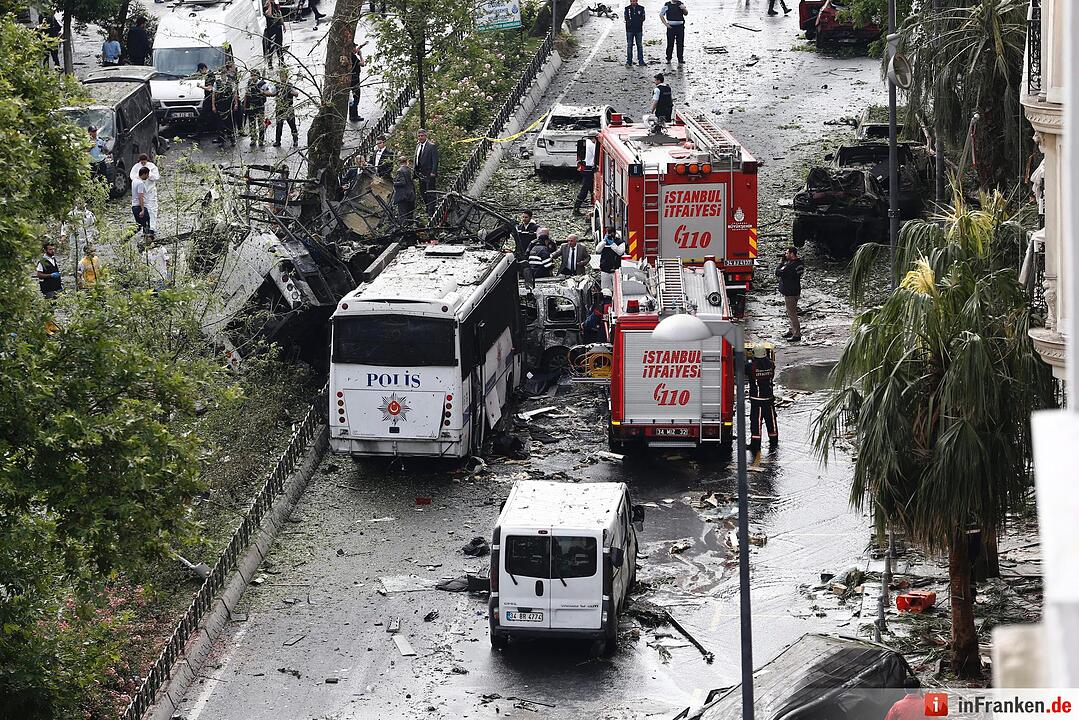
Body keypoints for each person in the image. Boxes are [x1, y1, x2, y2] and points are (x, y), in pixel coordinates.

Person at [746, 343, 778, 452]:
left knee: (756, 422)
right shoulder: (771, 364)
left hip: (757, 400)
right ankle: (774, 441)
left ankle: (755, 445)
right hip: (768, 399)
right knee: (771, 420)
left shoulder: (751, 366)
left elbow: (742, 369)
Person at [776, 246, 804, 341]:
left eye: (787, 253)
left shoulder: (789, 266)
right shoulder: (799, 264)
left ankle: (797, 334)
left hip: (790, 292)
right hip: (795, 290)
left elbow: (778, 272)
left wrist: (781, 263)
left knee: (792, 313)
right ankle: (792, 330)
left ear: (792, 254)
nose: (785, 255)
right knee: (791, 312)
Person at [414, 128, 439, 217]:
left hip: (429, 174)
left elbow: (435, 160)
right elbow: (416, 158)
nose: (420, 137)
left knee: (430, 193)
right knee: (423, 192)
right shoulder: (418, 146)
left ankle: (431, 211)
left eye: (422, 136)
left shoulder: (431, 146)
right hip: (421, 174)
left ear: (425, 136)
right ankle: (428, 208)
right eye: (419, 136)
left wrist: (433, 171)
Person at [272, 67, 299, 147]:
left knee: (292, 125)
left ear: (287, 77)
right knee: (279, 125)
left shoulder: (289, 85)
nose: (282, 78)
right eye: (281, 77)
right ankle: (277, 141)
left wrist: (291, 92)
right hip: (279, 108)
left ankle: (295, 140)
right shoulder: (277, 85)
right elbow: (272, 92)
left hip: (288, 108)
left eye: (284, 76)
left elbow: (296, 93)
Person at [244, 69, 271, 147]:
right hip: (251, 106)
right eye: (251, 75)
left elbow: (269, 93)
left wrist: (261, 92)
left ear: (258, 76)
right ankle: (253, 139)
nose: (253, 77)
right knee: (251, 123)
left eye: (254, 75)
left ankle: (261, 140)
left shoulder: (263, 84)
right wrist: (245, 106)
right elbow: (246, 94)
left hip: (259, 106)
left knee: (261, 124)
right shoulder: (249, 83)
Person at [211, 68, 238, 147]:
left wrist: (235, 104)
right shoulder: (217, 83)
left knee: (230, 123)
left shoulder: (230, 82)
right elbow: (213, 95)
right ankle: (222, 140)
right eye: (221, 74)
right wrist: (213, 106)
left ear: (226, 74)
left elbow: (234, 94)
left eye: (224, 74)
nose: (223, 76)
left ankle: (232, 139)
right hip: (220, 105)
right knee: (220, 123)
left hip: (228, 105)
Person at [573, 132, 597, 214]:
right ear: (594, 138)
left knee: (591, 188)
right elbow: (596, 155)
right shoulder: (592, 145)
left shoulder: (585, 143)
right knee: (585, 188)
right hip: (589, 169)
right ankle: (576, 208)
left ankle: (593, 205)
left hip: (584, 168)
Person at [659, 0, 688, 65]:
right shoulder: (667, 5)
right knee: (670, 43)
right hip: (670, 28)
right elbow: (661, 15)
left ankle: (680, 59)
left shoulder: (680, 4)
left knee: (680, 43)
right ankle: (668, 58)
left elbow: (686, 13)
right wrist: (666, 24)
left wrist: (684, 8)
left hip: (680, 27)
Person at [598, 227, 626, 292]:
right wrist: (604, 242)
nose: (610, 235)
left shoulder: (620, 242)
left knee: (617, 290)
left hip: (616, 270)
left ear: (615, 233)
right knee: (606, 291)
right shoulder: (604, 241)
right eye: (608, 233)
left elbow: (620, 252)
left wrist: (612, 244)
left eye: (611, 233)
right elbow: (598, 250)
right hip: (605, 270)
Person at [131, 166, 156, 236]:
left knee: (139, 225)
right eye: (147, 175)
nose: (148, 177)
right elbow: (140, 196)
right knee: (146, 221)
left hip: (134, 206)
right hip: (139, 206)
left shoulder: (134, 181)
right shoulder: (140, 183)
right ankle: (148, 238)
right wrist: (142, 210)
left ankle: (125, 238)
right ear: (144, 174)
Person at [263, 0, 285, 69]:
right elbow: (268, 14)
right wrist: (269, 5)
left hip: (278, 27)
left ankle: (281, 61)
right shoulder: (266, 6)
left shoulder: (276, 4)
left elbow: (279, 13)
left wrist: (283, 24)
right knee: (271, 46)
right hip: (271, 28)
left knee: (279, 45)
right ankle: (270, 63)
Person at [392, 155, 416, 220]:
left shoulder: (400, 171)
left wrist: (393, 183)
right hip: (410, 195)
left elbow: (402, 182)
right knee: (409, 215)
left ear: (399, 162)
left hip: (403, 196)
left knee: (403, 215)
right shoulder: (408, 169)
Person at [624, 0, 646, 67]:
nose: (633, 2)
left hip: (638, 29)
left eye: (634, 1)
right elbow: (626, 18)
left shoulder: (641, 8)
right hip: (629, 30)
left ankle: (641, 61)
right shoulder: (627, 8)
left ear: (636, 1)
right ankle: (629, 61)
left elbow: (643, 18)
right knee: (629, 45)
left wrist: (638, 23)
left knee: (639, 45)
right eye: (631, 1)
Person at [348, 43, 366, 122]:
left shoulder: (348, 55)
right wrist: (361, 55)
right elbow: (362, 64)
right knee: (357, 96)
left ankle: (352, 114)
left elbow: (355, 51)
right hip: (355, 79)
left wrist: (360, 47)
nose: (356, 49)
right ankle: (354, 115)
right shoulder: (353, 57)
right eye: (354, 47)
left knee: (353, 96)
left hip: (350, 78)